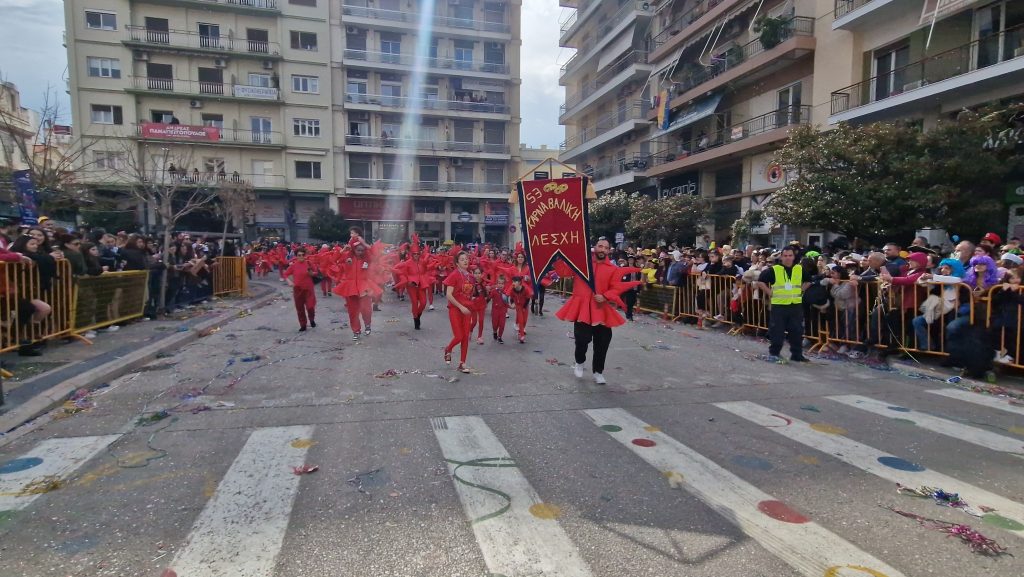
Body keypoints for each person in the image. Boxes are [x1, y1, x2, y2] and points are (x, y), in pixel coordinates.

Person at [557, 238, 643, 384]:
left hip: (601, 309)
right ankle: (579, 362)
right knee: (582, 340)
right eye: (600, 246)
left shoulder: (612, 269)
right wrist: (557, 258)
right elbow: (564, 272)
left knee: (603, 342)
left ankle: (598, 371)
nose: (602, 249)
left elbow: (616, 287)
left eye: (606, 247)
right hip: (582, 309)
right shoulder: (581, 264)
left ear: (609, 251)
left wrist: (605, 296)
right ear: (595, 248)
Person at [756, 246, 812, 363]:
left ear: (794, 256)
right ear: (781, 257)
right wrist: (769, 292)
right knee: (777, 331)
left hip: (795, 305)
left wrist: (801, 290)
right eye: (785, 256)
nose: (788, 258)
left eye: (790, 255)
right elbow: (761, 281)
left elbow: (809, 281)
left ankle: (797, 355)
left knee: (796, 332)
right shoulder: (775, 269)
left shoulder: (799, 269)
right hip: (779, 305)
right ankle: (774, 353)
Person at [443, 250, 475, 373]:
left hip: (467, 310)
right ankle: (448, 349)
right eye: (462, 259)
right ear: (457, 263)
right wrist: (461, 307)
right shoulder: (454, 275)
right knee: (459, 336)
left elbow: (469, 295)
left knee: (466, 337)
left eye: (466, 258)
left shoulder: (471, 277)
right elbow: (449, 295)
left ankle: (462, 364)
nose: (465, 261)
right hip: (455, 309)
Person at [283, 247, 318, 332]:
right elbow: (285, 274)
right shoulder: (294, 265)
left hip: (308, 289)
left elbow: (316, 272)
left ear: (305, 255)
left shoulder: (309, 263)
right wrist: (289, 282)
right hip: (297, 290)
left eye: (303, 255)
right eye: (299, 255)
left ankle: (312, 319)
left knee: (310, 307)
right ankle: (303, 325)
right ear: (296, 256)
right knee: (300, 308)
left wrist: (312, 273)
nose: (301, 257)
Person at [507, 275, 533, 344]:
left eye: (515, 282)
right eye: (512, 282)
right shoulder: (512, 290)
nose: (513, 283)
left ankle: (520, 332)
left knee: (524, 321)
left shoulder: (525, 289)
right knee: (521, 321)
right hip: (518, 307)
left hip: (525, 306)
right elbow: (511, 297)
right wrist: (512, 303)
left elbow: (528, 298)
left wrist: (524, 307)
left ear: (519, 282)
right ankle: (522, 335)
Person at [489, 274, 510, 343]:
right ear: (496, 283)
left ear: (504, 284)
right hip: (495, 311)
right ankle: (495, 331)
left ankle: (500, 337)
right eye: (499, 283)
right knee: (495, 325)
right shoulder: (494, 291)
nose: (500, 285)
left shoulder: (506, 292)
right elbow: (489, 297)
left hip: (503, 311)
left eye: (502, 283)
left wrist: (511, 306)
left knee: (502, 325)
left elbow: (507, 302)